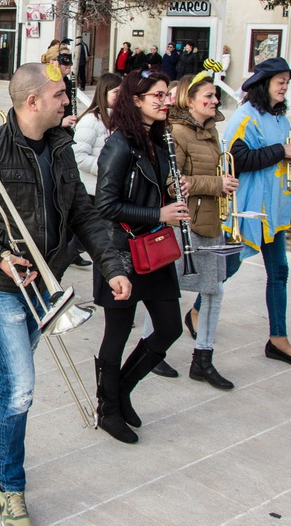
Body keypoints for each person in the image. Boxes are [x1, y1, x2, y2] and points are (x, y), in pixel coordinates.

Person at [0, 62, 129, 526]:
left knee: (5, 374)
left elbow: (82, 211)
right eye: (61, 94)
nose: (69, 100)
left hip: (45, 285)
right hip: (1, 286)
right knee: (20, 390)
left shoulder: (60, 148)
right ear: (33, 102)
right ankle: (11, 486)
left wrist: (113, 264)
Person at [93, 69, 188, 444]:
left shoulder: (158, 139)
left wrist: (173, 202)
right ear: (136, 101)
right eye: (158, 96)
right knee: (117, 333)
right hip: (122, 252)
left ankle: (122, 390)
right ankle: (107, 409)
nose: (166, 101)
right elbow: (105, 204)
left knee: (170, 327)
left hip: (154, 248)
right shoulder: (119, 144)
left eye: (167, 95)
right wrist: (158, 214)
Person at [221, 57, 291, 367]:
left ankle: (278, 338)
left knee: (279, 273)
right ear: (263, 85)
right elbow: (236, 157)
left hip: (274, 208)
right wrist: (281, 151)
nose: (285, 85)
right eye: (280, 81)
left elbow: (275, 154)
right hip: (250, 208)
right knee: (228, 269)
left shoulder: (281, 119)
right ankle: (196, 312)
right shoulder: (245, 116)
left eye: (287, 80)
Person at [156, 72, 239, 388]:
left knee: (214, 289)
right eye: (208, 96)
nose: (215, 101)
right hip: (184, 224)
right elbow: (175, 183)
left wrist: (223, 183)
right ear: (189, 100)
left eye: (216, 96)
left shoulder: (212, 130)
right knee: (165, 289)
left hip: (210, 222)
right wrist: (218, 184)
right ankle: (154, 349)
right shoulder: (175, 132)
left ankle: (203, 358)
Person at [72, 72, 121, 194]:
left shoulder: (119, 119)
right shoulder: (90, 120)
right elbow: (79, 157)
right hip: (91, 191)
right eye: (116, 92)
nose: (120, 96)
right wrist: (109, 168)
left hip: (110, 188)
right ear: (104, 92)